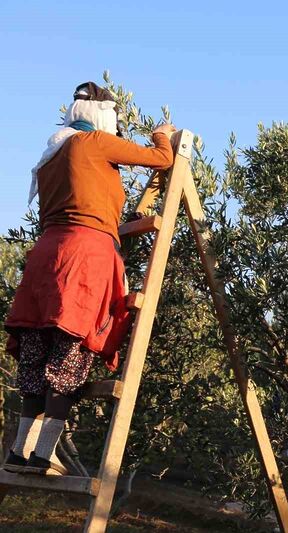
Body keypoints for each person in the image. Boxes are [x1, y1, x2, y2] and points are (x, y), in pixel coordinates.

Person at [3, 82, 176, 476]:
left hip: (45, 256)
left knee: (36, 355)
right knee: (69, 355)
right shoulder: (94, 142)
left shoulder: (51, 155)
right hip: (84, 257)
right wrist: (162, 136)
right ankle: (43, 455)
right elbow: (161, 159)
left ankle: (19, 453)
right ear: (103, 116)